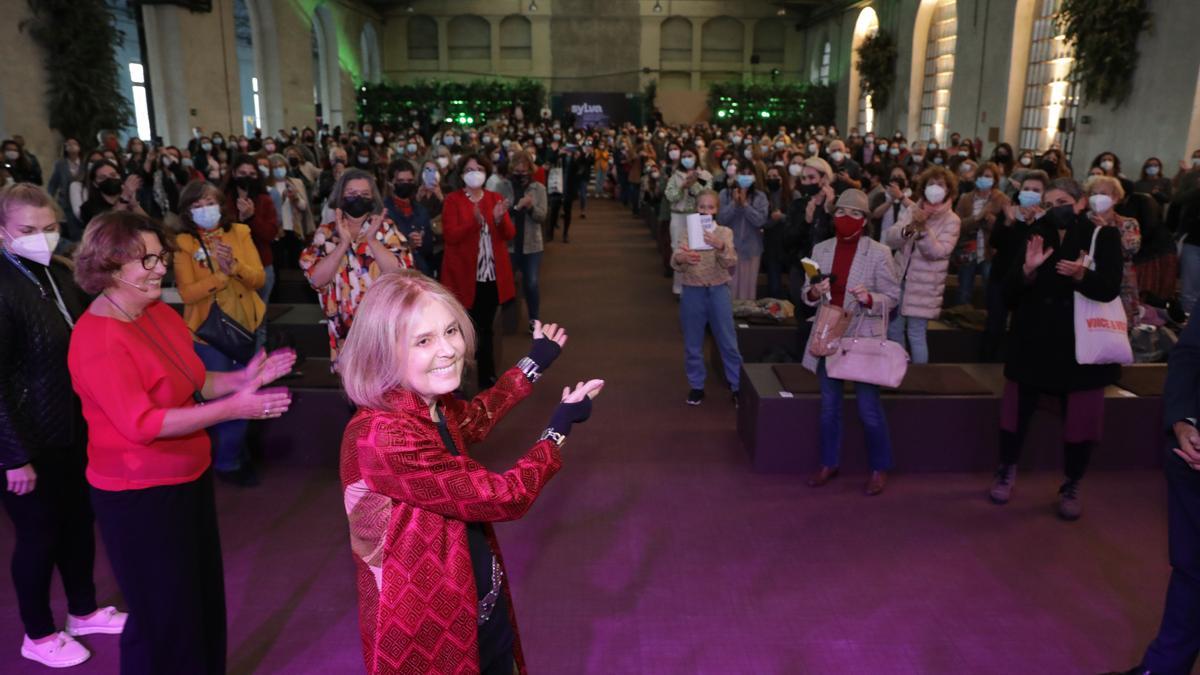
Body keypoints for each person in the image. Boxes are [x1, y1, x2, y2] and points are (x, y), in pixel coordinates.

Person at [336, 271, 603, 675]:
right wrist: (558, 428)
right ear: (382, 351)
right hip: (426, 625)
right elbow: (504, 495)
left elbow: (475, 418)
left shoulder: (426, 403)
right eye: (423, 341)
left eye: (451, 331)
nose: (448, 350)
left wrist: (534, 362)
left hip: (475, 592)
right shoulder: (381, 436)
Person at [68, 211, 295, 674]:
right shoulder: (98, 337)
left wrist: (242, 378)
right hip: (138, 495)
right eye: (144, 260)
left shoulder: (154, 312)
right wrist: (236, 409)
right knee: (162, 617)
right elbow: (142, 423)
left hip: (185, 477)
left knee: (200, 601)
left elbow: (191, 380)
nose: (159, 267)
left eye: (159, 256)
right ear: (108, 269)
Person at [0, 185, 127, 668]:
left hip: (71, 429)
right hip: (25, 441)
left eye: (50, 228)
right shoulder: (4, 284)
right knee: (37, 536)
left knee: (77, 525)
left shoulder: (56, 273)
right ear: (3, 233)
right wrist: (12, 454)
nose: (42, 238)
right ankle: (36, 633)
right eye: (28, 231)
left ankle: (83, 610)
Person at [987, 178, 1123, 520]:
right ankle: (1006, 469)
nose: (1055, 208)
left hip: (1079, 347)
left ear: (1079, 203)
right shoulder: (1032, 232)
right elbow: (1006, 293)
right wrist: (1027, 272)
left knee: (1081, 421)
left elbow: (1109, 289)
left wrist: (1081, 277)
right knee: (1015, 414)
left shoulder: (1101, 235)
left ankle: (1072, 482)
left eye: (1062, 201)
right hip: (1032, 341)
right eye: (1049, 203)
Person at [1112, 306, 1200, 675]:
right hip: (1192, 457)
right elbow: (1189, 355)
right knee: (1191, 567)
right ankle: (1164, 668)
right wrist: (1183, 422)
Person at [801, 189, 901, 496]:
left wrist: (870, 298)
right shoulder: (821, 249)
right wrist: (814, 293)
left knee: (868, 409)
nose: (848, 218)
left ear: (866, 220)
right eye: (842, 212)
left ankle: (879, 467)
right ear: (833, 216)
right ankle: (828, 462)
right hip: (828, 333)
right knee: (829, 407)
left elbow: (894, 296)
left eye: (856, 214)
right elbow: (807, 294)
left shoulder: (879, 252)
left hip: (863, 336)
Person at [173, 180, 267, 486]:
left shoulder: (239, 233)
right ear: (187, 212)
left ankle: (234, 451)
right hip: (209, 334)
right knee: (223, 396)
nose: (205, 211)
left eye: (209, 203)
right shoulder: (184, 244)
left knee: (248, 389)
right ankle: (227, 461)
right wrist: (219, 276)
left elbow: (258, 279)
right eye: (197, 206)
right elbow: (187, 294)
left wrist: (235, 266)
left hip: (246, 327)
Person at [300, 168, 413, 367]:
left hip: (382, 329)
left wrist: (372, 240)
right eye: (351, 194)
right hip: (344, 332)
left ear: (373, 198)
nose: (358, 198)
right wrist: (342, 244)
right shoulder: (326, 232)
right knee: (353, 392)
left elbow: (401, 275)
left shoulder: (385, 229)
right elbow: (316, 279)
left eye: (364, 194)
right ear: (340, 196)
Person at [440, 154, 516, 389]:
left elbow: (509, 234)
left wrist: (499, 219)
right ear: (462, 174)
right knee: (461, 331)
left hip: (490, 276)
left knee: (485, 329)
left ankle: (487, 378)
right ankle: (456, 380)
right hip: (462, 277)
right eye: (469, 169)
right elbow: (450, 235)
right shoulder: (453, 200)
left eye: (479, 168)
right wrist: (474, 222)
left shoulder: (495, 198)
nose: (474, 172)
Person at [671, 190, 743, 406]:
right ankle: (696, 386)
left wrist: (720, 246)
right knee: (693, 343)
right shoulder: (686, 232)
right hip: (692, 291)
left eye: (710, 208)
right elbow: (675, 261)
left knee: (728, 342)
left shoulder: (724, 232)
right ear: (696, 208)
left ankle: (738, 385)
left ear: (717, 210)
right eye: (702, 207)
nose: (706, 212)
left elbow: (730, 262)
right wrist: (683, 257)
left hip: (718, 290)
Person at [883, 166, 961, 364]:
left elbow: (937, 252)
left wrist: (923, 229)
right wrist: (909, 228)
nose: (935, 188)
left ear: (949, 190)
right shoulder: (913, 210)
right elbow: (891, 239)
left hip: (925, 285)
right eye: (931, 184)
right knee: (893, 329)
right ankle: (899, 367)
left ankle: (919, 377)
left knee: (916, 334)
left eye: (940, 185)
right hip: (900, 279)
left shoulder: (952, 220)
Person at [986, 170, 1049, 361]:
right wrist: (1008, 222)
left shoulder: (1046, 220)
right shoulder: (1008, 212)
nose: (1030, 192)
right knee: (994, 325)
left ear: (1044, 194)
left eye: (1036, 190)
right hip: (1000, 276)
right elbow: (995, 242)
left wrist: (1034, 223)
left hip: (1027, 280)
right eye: (1027, 189)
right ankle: (986, 363)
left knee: (1020, 326)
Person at [1085, 175, 1142, 328]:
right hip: (1089, 278)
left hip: (1121, 281)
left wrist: (1108, 232)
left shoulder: (1127, 223)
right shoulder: (1082, 221)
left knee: (1119, 326)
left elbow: (1131, 249)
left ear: (1115, 198)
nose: (1097, 197)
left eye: (1103, 193)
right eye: (1093, 193)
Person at [953, 161, 1010, 307]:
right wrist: (977, 218)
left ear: (995, 180)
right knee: (964, 288)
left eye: (988, 176)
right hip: (967, 249)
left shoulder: (1002, 199)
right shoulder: (965, 198)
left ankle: (987, 319)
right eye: (981, 176)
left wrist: (992, 221)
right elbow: (957, 225)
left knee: (990, 288)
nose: (984, 179)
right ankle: (961, 316)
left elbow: (1007, 228)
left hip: (990, 251)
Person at [224, 156, 280, 306]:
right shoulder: (224, 199)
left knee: (259, 317)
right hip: (231, 265)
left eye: (252, 174)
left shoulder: (265, 199)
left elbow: (270, 234)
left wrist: (251, 218)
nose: (247, 178)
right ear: (234, 174)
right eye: (242, 173)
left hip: (261, 264)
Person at [505, 151, 548, 332]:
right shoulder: (503, 186)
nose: (521, 171)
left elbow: (542, 216)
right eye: (517, 167)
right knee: (506, 283)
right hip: (509, 245)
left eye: (524, 168)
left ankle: (534, 319)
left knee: (531, 282)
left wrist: (530, 208)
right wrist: (517, 207)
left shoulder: (538, 188)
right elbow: (500, 215)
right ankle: (506, 320)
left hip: (532, 245)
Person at [664, 147, 712, 296]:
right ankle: (679, 287)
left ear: (696, 157)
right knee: (679, 249)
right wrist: (682, 187)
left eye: (689, 155)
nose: (687, 158)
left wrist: (693, 183)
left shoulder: (705, 175)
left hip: (697, 216)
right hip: (678, 216)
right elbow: (670, 196)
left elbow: (707, 196)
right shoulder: (675, 176)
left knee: (697, 250)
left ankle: (696, 285)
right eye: (684, 156)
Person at [720, 162, 769, 300]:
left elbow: (760, 221)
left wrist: (745, 205)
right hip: (729, 248)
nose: (746, 177)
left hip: (752, 248)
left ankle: (747, 315)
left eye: (749, 174)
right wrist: (735, 204)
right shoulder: (725, 194)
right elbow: (721, 219)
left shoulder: (760, 196)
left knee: (748, 287)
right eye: (742, 173)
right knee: (729, 286)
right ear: (736, 175)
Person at [383, 159, 435, 277]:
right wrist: (407, 244)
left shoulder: (421, 211)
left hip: (421, 273)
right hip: (395, 275)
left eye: (410, 181)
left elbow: (429, 249)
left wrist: (420, 241)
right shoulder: (382, 212)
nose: (406, 184)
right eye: (401, 181)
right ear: (391, 183)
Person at [265, 153, 313, 272]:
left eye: (281, 166)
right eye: (275, 167)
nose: (279, 169)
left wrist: (295, 198)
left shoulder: (296, 182)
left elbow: (304, 207)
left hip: (294, 227)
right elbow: (268, 210)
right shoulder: (267, 186)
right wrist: (281, 198)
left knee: (296, 261)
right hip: (276, 230)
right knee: (278, 262)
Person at [79, 160, 145, 224]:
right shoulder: (88, 208)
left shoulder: (132, 197)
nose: (109, 179)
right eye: (102, 177)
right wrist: (125, 197)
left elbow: (149, 224)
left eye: (113, 175)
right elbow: (107, 227)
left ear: (119, 176)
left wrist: (134, 205)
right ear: (95, 183)